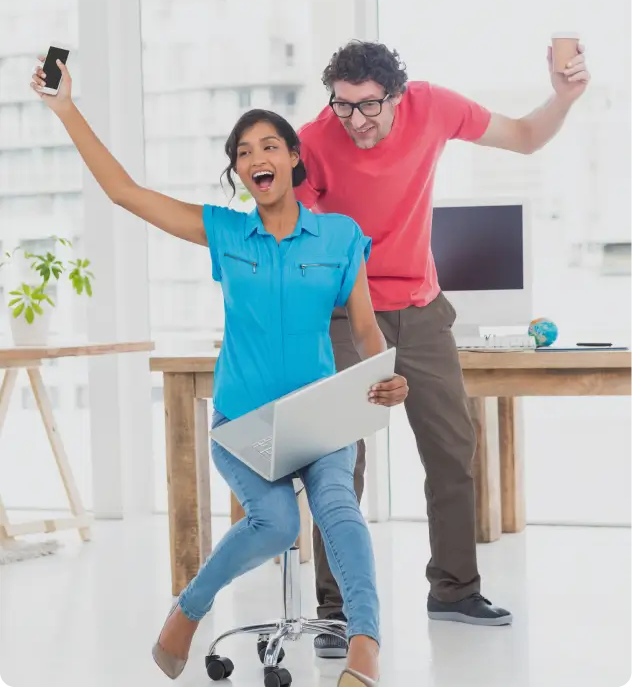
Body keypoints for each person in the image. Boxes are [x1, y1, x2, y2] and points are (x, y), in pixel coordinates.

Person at [31, 58, 410, 687]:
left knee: (339, 506)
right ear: (238, 172)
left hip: (320, 421)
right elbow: (125, 193)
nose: (256, 157)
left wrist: (383, 373)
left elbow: (367, 327)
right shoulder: (226, 232)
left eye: (269, 145)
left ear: (294, 157)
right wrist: (66, 108)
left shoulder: (340, 237)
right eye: (242, 152)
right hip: (245, 423)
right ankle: (188, 609)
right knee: (278, 523)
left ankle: (364, 646)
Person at [294, 39, 591, 657]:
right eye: (343, 105)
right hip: (346, 312)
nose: (356, 120)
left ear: (397, 96)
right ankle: (335, 610)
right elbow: (290, 234)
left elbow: (525, 136)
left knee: (453, 451)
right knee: (340, 463)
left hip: (423, 311)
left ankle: (454, 590)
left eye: (369, 105)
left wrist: (562, 98)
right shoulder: (315, 141)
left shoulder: (433, 108)